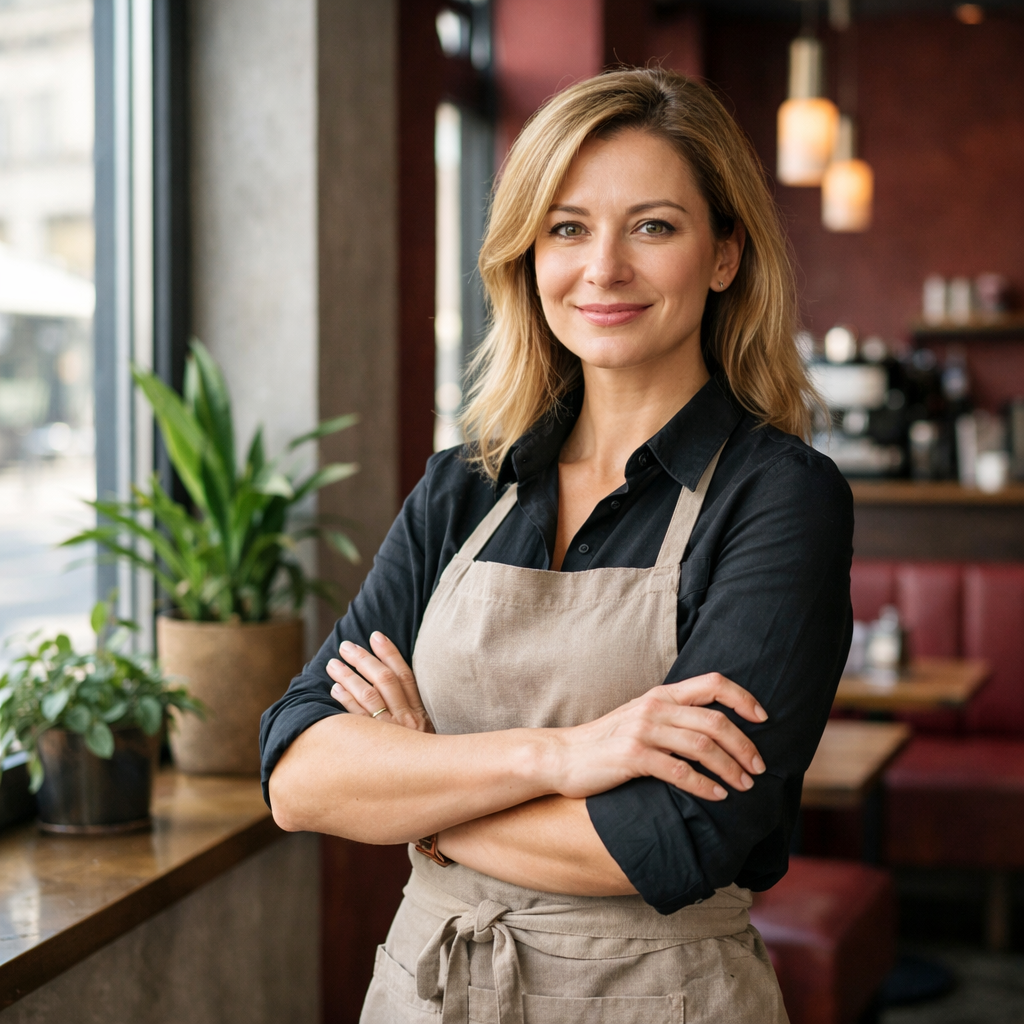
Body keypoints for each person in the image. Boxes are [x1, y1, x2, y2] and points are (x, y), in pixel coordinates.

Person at [261, 67, 853, 1024]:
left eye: (653, 226)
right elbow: (299, 776)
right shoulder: (463, 485)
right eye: (567, 228)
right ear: (528, 256)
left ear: (725, 255)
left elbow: (674, 836)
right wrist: (567, 757)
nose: (603, 268)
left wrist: (424, 795)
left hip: (659, 999)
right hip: (426, 992)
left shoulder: (781, 497)